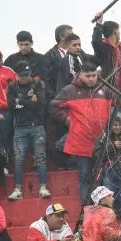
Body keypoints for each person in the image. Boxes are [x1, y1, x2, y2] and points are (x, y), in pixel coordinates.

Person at [49, 62, 111, 200]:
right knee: (85, 176)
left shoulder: (105, 89)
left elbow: (116, 104)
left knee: (103, 177)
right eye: (88, 76)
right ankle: (87, 210)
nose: (91, 79)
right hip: (81, 141)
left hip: (101, 140)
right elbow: (53, 107)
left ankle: (103, 210)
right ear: (81, 75)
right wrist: (67, 120)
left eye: (94, 75)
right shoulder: (69, 90)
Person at [7, 62, 50, 200]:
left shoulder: (38, 84)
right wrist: (29, 101)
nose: (25, 77)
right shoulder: (12, 86)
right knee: (19, 159)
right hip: (20, 127)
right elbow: (12, 107)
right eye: (22, 75)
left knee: (40, 157)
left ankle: (43, 187)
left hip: (37, 125)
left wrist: (21, 101)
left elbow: (40, 104)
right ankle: (17, 189)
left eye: (27, 74)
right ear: (17, 75)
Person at [91, 16, 121, 85]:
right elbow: (95, 41)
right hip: (108, 86)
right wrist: (99, 23)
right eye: (118, 30)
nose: (119, 32)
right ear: (114, 32)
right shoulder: (103, 47)